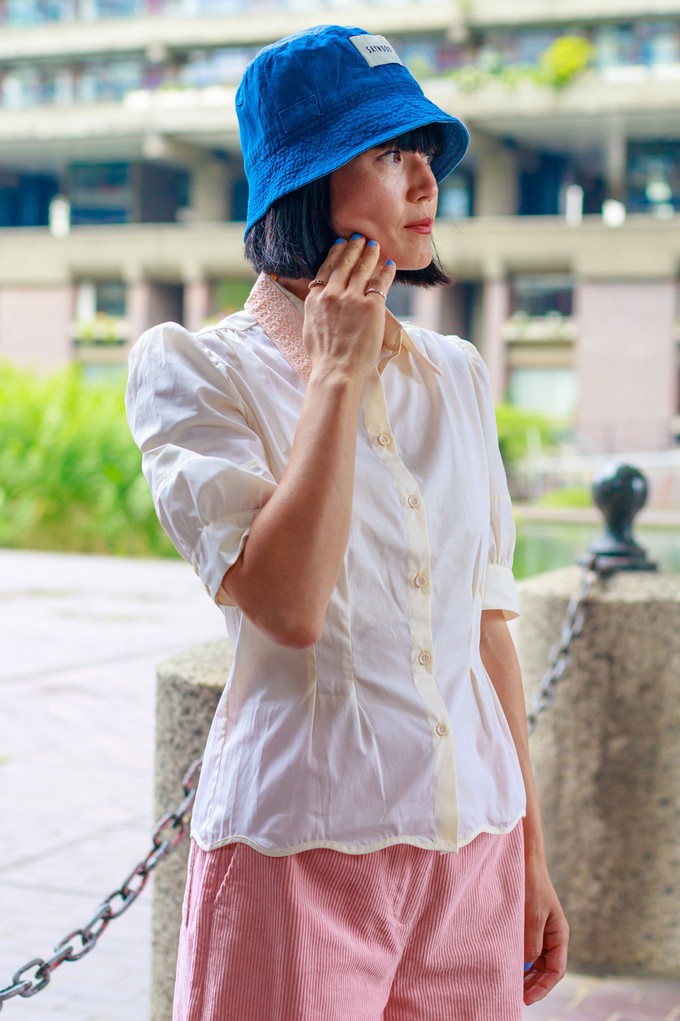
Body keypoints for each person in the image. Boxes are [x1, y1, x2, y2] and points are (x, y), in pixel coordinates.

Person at [126, 24, 568, 1021]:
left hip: (474, 849)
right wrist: (332, 372)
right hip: (298, 850)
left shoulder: (456, 377)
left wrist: (533, 855)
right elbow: (284, 604)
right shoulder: (193, 369)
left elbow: (486, 627)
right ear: (303, 182)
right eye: (385, 155)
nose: (424, 184)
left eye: (425, 154)